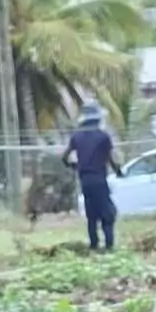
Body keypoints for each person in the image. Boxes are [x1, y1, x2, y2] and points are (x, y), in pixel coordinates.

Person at [62, 101, 120, 251]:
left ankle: (94, 244)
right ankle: (109, 245)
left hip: (85, 181)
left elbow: (64, 158)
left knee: (91, 213)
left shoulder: (76, 137)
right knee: (107, 213)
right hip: (99, 179)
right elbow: (111, 158)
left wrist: (74, 166)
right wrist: (118, 171)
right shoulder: (103, 136)